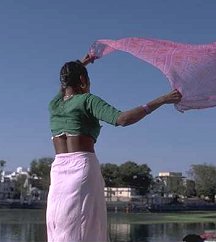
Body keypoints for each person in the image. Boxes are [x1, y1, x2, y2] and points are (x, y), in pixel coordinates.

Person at [46, 55, 182, 242]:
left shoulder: (55, 104)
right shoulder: (87, 100)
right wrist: (161, 100)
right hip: (81, 167)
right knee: (85, 222)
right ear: (83, 80)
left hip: (58, 170)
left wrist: (81, 64)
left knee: (60, 221)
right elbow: (122, 119)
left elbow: (65, 84)